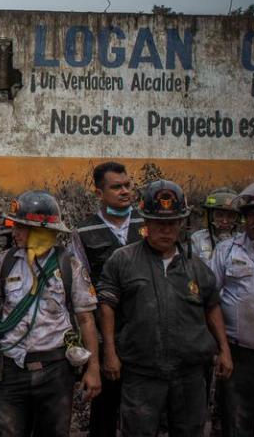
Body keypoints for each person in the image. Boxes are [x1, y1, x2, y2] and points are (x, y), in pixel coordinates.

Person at [98, 179, 233, 437]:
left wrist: (224, 350)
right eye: (159, 223)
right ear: (146, 223)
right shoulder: (123, 260)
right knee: (138, 431)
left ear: (182, 223)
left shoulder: (196, 266)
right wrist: (110, 353)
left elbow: (212, 306)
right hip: (141, 372)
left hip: (190, 373)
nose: (166, 230)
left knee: (190, 430)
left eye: (172, 223)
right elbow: (107, 307)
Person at [0, 191, 101, 437]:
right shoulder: (2, 262)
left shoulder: (69, 265)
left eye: (22, 227)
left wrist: (93, 368)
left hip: (55, 370)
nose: (15, 232)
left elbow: (85, 318)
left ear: (42, 230)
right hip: (10, 369)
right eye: (16, 226)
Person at [71, 160, 144, 437]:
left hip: (145, 335)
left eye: (127, 186)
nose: (125, 192)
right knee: (104, 412)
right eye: (116, 187)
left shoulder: (147, 224)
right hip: (105, 337)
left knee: (142, 414)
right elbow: (81, 287)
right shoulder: (84, 232)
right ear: (99, 193)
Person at [210, 181, 254, 437]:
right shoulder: (226, 251)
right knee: (236, 425)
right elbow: (210, 302)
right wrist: (222, 350)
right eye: (252, 215)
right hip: (240, 358)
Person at [190, 187, 241, 265]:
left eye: (230, 216)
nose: (224, 221)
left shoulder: (243, 242)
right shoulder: (197, 239)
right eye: (219, 215)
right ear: (211, 216)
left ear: (237, 218)